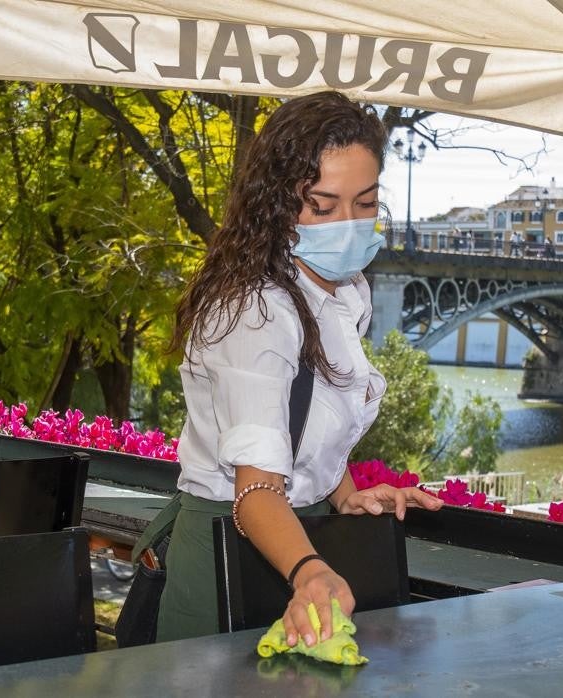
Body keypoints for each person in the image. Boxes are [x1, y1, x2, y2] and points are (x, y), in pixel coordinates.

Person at [160, 92, 443, 646]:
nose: (349, 223)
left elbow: (302, 423)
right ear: (279, 205)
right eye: (323, 205)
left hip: (297, 546)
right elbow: (256, 489)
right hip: (233, 553)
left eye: (365, 203)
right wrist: (309, 569)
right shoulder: (256, 312)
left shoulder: (338, 293)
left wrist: (343, 495)